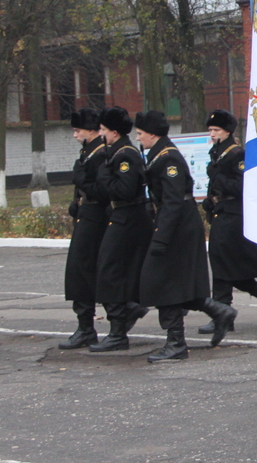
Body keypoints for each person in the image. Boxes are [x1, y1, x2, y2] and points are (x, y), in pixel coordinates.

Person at [134, 111, 238, 362]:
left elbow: (172, 202)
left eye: (140, 134)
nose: (138, 138)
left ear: (152, 134)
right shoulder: (158, 154)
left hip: (178, 226)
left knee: (162, 282)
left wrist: (160, 237)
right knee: (174, 282)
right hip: (174, 224)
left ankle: (176, 343)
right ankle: (218, 311)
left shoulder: (168, 159)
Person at [200, 109, 257, 336]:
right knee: (223, 265)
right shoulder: (218, 152)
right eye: (210, 130)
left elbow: (242, 187)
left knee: (228, 266)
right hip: (221, 213)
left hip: (234, 216)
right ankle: (225, 311)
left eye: (216, 130)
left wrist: (218, 179)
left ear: (228, 131)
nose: (212, 134)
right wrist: (210, 200)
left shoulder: (236, 154)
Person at [88, 107, 151, 352]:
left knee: (108, 272)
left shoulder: (125, 155)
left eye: (103, 130)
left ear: (114, 132)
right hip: (121, 216)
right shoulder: (116, 152)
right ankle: (126, 314)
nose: (100, 134)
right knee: (112, 271)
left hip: (129, 216)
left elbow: (123, 190)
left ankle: (118, 329)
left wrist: (103, 172)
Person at [60, 109, 110, 350]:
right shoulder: (89, 152)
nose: (75, 135)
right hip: (86, 215)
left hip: (96, 218)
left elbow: (102, 190)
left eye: (77, 130)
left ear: (91, 130)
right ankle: (86, 325)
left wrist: (81, 182)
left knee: (83, 270)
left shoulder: (100, 154)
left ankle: (88, 327)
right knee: (81, 271)